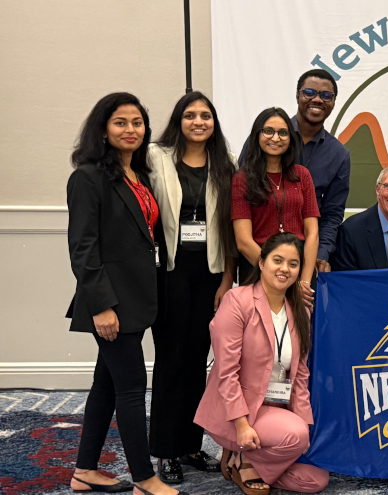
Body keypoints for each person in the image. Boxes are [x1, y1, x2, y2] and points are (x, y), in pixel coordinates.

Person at [66, 92, 185, 495]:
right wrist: (102, 306)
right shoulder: (87, 177)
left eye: (137, 122)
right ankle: (144, 478)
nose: (131, 129)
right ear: (103, 129)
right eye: (120, 122)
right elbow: (83, 249)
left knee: (105, 385)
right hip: (111, 303)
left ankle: (84, 471)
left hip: (138, 297)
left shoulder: (139, 175)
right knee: (132, 389)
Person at [146, 91, 237, 482]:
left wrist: (228, 279)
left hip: (210, 272)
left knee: (198, 359)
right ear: (178, 121)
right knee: (171, 358)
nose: (198, 122)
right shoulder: (156, 157)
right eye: (190, 115)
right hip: (169, 269)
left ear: (214, 123)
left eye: (205, 115)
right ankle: (165, 450)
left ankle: (190, 444)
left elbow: (232, 225)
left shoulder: (226, 163)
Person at [194, 233, 329, 494]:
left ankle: (248, 461)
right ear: (262, 262)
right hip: (237, 413)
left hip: (275, 410)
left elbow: (300, 374)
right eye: (277, 260)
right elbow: (226, 372)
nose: (285, 269)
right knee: (296, 436)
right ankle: (242, 458)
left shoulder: (301, 310)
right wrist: (242, 425)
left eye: (293, 264)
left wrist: (304, 425)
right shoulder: (237, 301)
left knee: (316, 480)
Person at [239, 69, 351, 273]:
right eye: (309, 92)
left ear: (334, 102)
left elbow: (332, 214)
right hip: (257, 257)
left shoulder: (339, 155)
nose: (317, 99)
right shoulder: (266, 137)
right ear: (297, 95)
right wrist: (267, 267)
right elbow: (242, 197)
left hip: (305, 258)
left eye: (326, 95)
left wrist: (319, 255)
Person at [232, 107, 319, 306]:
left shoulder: (302, 175)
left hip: (299, 273)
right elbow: (243, 241)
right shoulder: (242, 179)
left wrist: (303, 280)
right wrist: (276, 274)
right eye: (268, 131)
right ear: (257, 135)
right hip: (257, 271)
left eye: (283, 133)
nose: (276, 138)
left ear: (290, 139)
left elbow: (312, 233)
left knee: (300, 326)